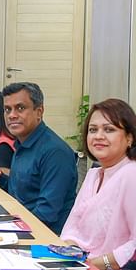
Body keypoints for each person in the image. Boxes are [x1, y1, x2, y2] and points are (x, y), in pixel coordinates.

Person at [0, 82, 77, 234]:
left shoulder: (55, 152)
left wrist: (5, 228)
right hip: (22, 224)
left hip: (45, 238)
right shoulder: (22, 142)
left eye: (20, 108)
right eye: (7, 109)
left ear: (39, 111)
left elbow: (46, 214)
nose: (12, 115)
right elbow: (24, 190)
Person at [60, 98, 136, 270]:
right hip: (76, 261)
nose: (98, 136)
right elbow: (72, 227)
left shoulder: (131, 174)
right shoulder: (94, 174)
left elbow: (133, 247)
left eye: (109, 129)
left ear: (130, 138)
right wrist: (69, 254)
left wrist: (95, 264)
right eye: (93, 130)